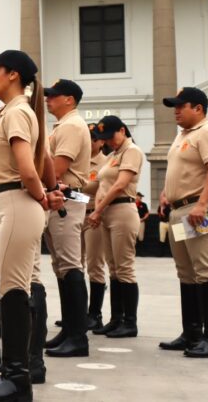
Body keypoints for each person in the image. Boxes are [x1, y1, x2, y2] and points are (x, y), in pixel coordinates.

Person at [0, 50, 63, 401]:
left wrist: (43, 195)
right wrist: (47, 192)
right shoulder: (13, 112)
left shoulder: (18, 112)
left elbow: (28, 168)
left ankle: (16, 379)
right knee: (12, 288)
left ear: (13, 75)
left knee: (12, 290)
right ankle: (14, 375)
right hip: (10, 201)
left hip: (17, 200)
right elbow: (43, 161)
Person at [158, 87, 208, 358]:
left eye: (180, 106)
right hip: (180, 210)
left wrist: (201, 203)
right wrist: (167, 194)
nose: (176, 111)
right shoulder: (183, 136)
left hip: (200, 210)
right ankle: (192, 333)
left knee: (205, 271)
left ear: (198, 108)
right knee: (186, 273)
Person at [42, 79, 92, 358]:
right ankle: (69, 330)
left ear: (69, 99)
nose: (48, 99)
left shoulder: (72, 125)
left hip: (67, 200)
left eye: (54, 95)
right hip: (60, 199)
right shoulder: (63, 126)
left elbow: (58, 167)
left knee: (70, 265)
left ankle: (78, 337)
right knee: (62, 266)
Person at [87, 115, 146, 340]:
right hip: (107, 212)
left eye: (111, 136)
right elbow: (99, 185)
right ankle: (116, 319)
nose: (109, 141)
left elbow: (121, 185)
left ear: (122, 130)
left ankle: (130, 322)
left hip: (122, 210)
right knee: (113, 268)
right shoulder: (113, 156)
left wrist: (98, 210)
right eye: (105, 138)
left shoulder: (132, 151)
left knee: (124, 268)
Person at [83, 124, 110, 330]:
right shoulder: (78, 160)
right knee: (73, 265)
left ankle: (95, 314)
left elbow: (100, 189)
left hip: (93, 216)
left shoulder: (106, 163)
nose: (90, 142)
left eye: (93, 139)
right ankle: (76, 312)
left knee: (94, 264)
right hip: (75, 215)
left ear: (101, 142)